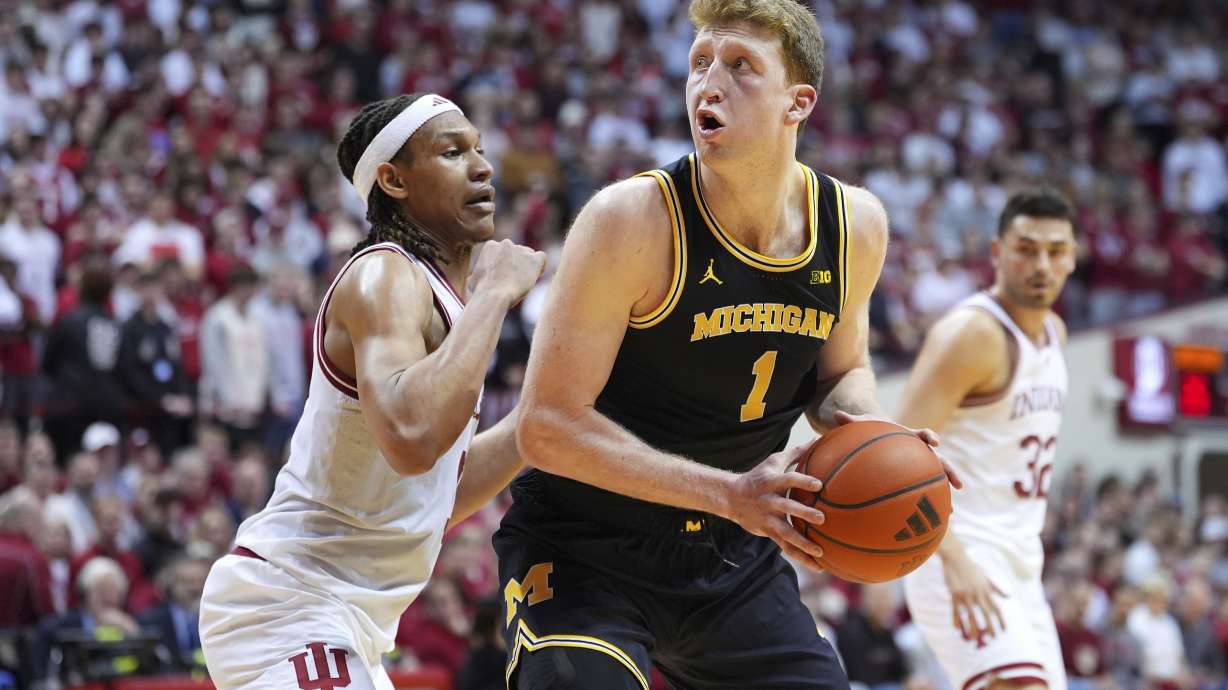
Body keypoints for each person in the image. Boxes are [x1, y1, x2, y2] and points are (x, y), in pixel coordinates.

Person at [500, 2, 952, 688]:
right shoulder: (631, 220)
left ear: (797, 102)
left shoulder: (854, 225)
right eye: (699, 64)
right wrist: (730, 492)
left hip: (729, 558)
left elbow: (843, 371)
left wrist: (875, 433)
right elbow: (545, 427)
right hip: (585, 547)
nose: (708, 83)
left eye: (741, 66)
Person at [198, 93, 545, 690]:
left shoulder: (439, 299)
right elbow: (413, 441)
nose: (483, 167)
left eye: (480, 150)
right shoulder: (382, 275)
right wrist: (493, 296)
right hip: (290, 607)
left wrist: (537, 420)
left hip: (343, 621)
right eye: (453, 151)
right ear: (393, 179)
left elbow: (430, 493)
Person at [899, 189, 1077, 690]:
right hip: (958, 554)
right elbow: (897, 455)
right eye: (1025, 248)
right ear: (998, 253)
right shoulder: (971, 335)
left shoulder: (1056, 335)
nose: (1041, 263)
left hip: (1021, 565)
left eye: (1055, 250)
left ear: (1073, 258)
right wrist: (954, 560)